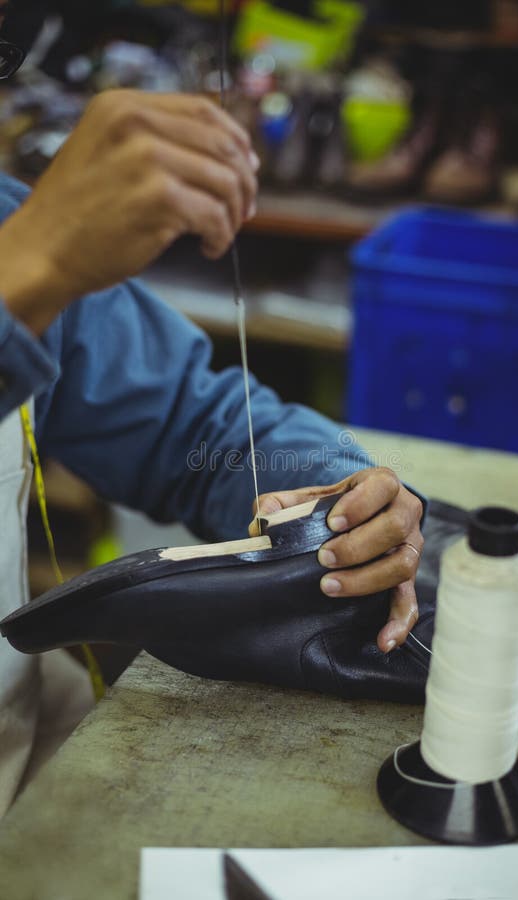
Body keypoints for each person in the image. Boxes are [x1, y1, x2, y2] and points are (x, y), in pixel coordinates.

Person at [0, 4, 425, 817]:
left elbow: (200, 428)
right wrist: (28, 269)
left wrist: (339, 494)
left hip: (28, 754)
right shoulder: (26, 246)